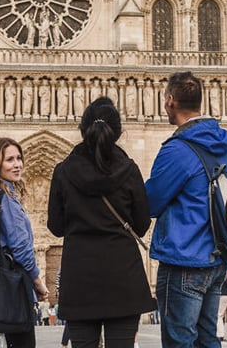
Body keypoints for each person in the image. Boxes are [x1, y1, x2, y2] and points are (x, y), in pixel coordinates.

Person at [48, 96, 155, 348]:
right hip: (123, 279)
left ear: (83, 131)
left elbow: (56, 226)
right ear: (117, 132)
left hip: (80, 279)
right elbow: (141, 224)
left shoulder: (63, 172)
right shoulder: (129, 170)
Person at [145, 70, 227, 348]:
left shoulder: (177, 149)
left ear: (171, 100)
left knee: (179, 340)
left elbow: (152, 201)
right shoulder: (224, 144)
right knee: (208, 338)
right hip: (215, 259)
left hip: (185, 259)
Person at [0, 137, 48, 348]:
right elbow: (21, 248)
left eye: (19, 158)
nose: (17, 164)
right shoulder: (4, 199)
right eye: (9, 160)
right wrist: (37, 281)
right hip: (10, 296)